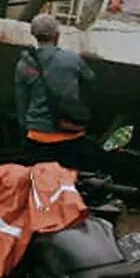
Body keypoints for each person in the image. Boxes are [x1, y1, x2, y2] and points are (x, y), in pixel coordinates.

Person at [14, 14, 95, 171]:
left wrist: (26, 130)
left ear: (34, 35)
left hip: (37, 135)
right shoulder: (73, 59)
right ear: (57, 35)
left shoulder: (24, 65)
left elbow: (21, 104)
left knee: (39, 183)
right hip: (71, 133)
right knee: (69, 182)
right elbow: (90, 80)